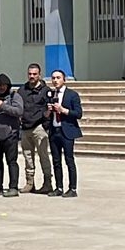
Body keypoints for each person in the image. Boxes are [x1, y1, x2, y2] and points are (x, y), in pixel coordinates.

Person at [17, 62, 54, 195]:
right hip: (25, 127)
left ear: (39, 75)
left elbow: (50, 108)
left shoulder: (46, 91)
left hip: (39, 127)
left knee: (43, 156)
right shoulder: (22, 90)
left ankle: (47, 183)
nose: (32, 76)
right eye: (30, 74)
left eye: (34, 74)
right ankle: (30, 183)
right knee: (27, 157)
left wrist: (45, 125)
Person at [47, 69, 83, 197]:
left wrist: (63, 110)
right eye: (53, 78)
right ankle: (59, 187)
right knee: (56, 161)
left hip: (67, 131)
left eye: (58, 78)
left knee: (69, 160)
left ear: (64, 79)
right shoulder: (51, 94)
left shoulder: (72, 95)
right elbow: (46, 115)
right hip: (54, 131)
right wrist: (48, 110)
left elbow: (78, 114)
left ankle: (72, 188)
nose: (55, 80)